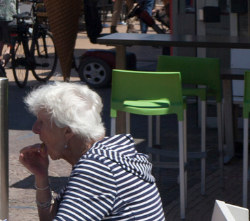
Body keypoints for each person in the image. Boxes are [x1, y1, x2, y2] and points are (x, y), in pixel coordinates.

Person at [19, 81, 163, 221]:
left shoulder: (98, 168)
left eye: (42, 122)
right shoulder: (105, 154)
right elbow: (52, 217)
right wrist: (42, 178)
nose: (34, 129)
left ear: (67, 131)